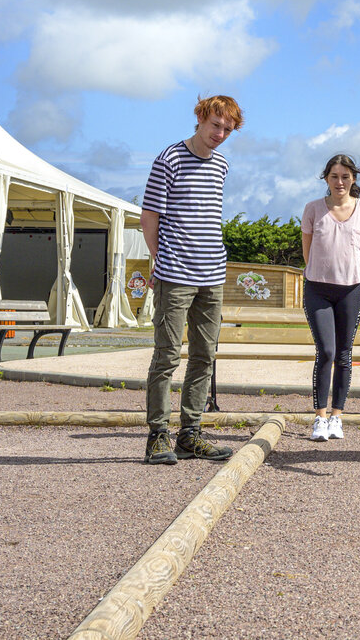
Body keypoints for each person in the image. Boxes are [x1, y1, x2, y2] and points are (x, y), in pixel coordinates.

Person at [141, 95, 243, 465]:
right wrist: (160, 260)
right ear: (200, 118)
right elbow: (149, 216)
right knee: (166, 355)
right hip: (175, 274)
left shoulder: (221, 166)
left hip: (212, 274)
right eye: (215, 125)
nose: (219, 134)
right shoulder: (169, 159)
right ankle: (157, 436)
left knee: (204, 355)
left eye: (227, 130)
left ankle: (191, 433)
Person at [301, 154, 360, 441]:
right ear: (326, 179)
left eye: (345, 176)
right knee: (327, 351)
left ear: (353, 179)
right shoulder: (312, 209)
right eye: (334, 176)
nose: (340, 182)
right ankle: (319, 418)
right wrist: (320, 272)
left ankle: (337, 416)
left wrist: (353, 273)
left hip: (350, 289)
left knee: (345, 354)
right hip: (317, 288)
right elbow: (307, 250)